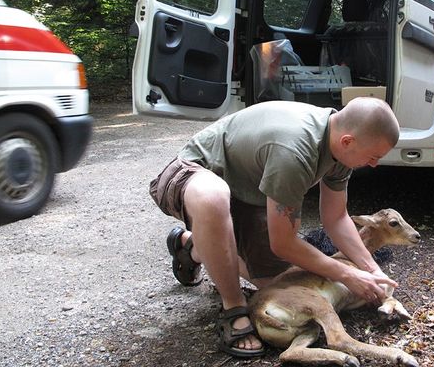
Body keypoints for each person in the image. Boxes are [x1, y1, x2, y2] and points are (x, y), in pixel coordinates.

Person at [149, 97, 400, 358]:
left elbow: (336, 218)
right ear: (348, 141)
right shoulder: (295, 150)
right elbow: (284, 243)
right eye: (373, 157)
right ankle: (233, 308)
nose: (374, 164)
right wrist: (348, 275)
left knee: (280, 286)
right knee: (213, 196)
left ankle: (194, 247)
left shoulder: (341, 145)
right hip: (191, 175)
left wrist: (372, 270)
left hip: (247, 194)